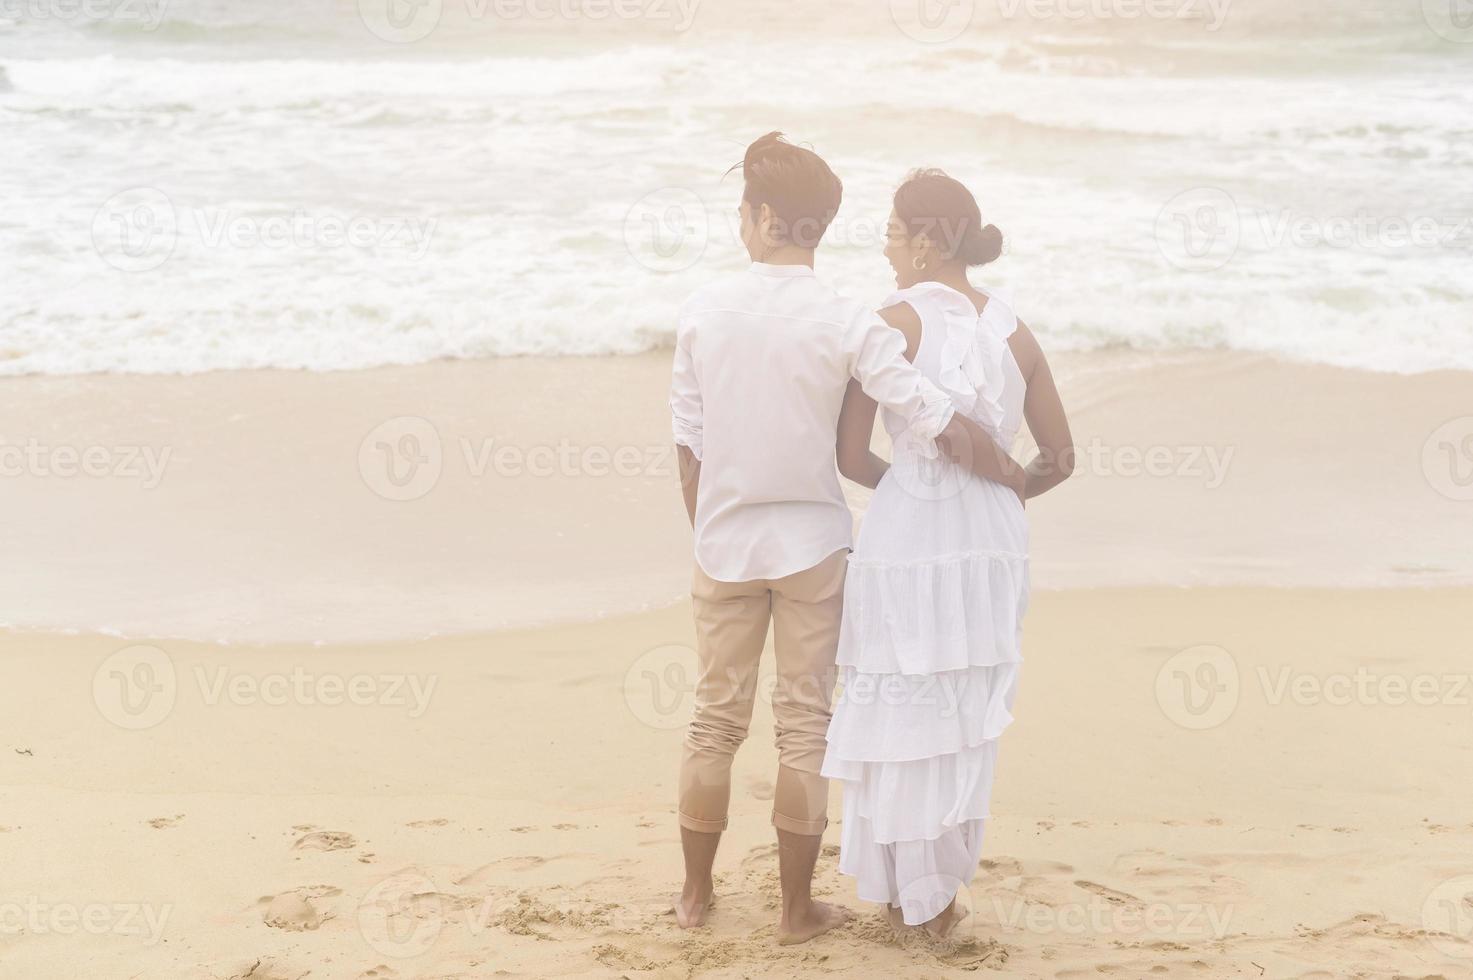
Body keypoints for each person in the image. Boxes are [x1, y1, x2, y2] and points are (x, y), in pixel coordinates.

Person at [669, 136, 1026, 944]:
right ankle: (796, 911)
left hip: (722, 544)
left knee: (713, 721)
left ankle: (693, 898)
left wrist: (709, 527)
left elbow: (686, 437)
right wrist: (1005, 472)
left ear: (762, 217)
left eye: (741, 213)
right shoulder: (846, 317)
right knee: (804, 724)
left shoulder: (703, 309)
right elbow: (924, 409)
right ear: (816, 226)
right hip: (814, 550)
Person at [822, 169, 1074, 937]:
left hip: (909, 534)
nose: (888, 247)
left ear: (927, 239)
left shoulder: (887, 322)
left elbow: (847, 453)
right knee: (963, 708)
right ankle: (938, 893)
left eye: (894, 233)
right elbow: (1059, 457)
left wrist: (910, 488)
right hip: (992, 543)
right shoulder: (1014, 328)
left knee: (901, 694)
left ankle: (909, 894)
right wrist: (997, 496)